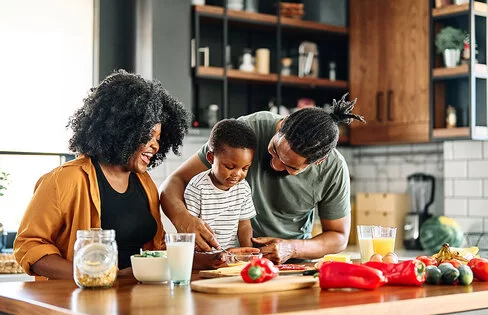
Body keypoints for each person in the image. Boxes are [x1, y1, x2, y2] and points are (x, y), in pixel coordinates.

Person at [14, 69, 191, 279]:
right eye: (148, 136)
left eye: (159, 139)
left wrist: (203, 258)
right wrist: (94, 274)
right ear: (121, 130)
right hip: (83, 301)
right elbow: (29, 245)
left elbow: (157, 248)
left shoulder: (145, 182)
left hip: (139, 299)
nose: (154, 146)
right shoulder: (64, 180)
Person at [160, 93, 365, 264]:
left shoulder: (333, 169)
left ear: (317, 162)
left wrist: (292, 248)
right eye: (274, 150)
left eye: (290, 166)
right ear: (282, 124)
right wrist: (184, 220)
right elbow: (173, 182)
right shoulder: (247, 131)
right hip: (229, 263)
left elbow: (338, 237)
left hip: (289, 266)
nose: (275, 164)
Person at [184, 119, 257, 250]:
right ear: (211, 158)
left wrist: (249, 254)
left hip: (230, 257)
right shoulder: (197, 187)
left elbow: (244, 225)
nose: (237, 174)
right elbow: (189, 230)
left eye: (245, 168)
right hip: (202, 257)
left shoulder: (243, 187)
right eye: (229, 167)